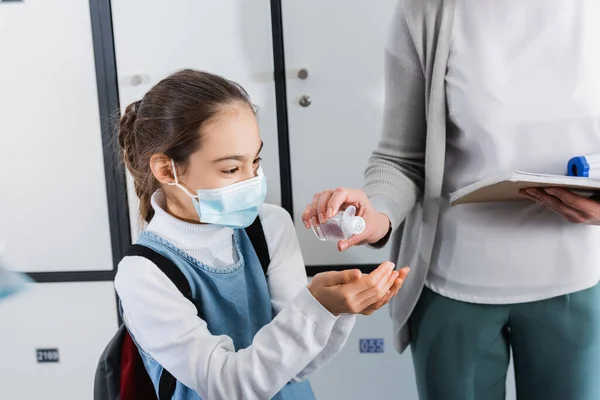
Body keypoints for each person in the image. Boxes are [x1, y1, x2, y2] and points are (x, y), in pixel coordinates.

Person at [303, 1, 600, 399]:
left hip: (574, 285)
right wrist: (377, 212)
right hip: (452, 287)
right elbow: (401, 157)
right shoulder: (426, 12)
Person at [114, 69, 409, 400]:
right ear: (167, 170)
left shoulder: (270, 226)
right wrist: (315, 308)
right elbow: (227, 386)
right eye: (230, 169)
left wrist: (335, 310)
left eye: (255, 161)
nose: (252, 181)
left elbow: (296, 367)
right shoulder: (143, 274)